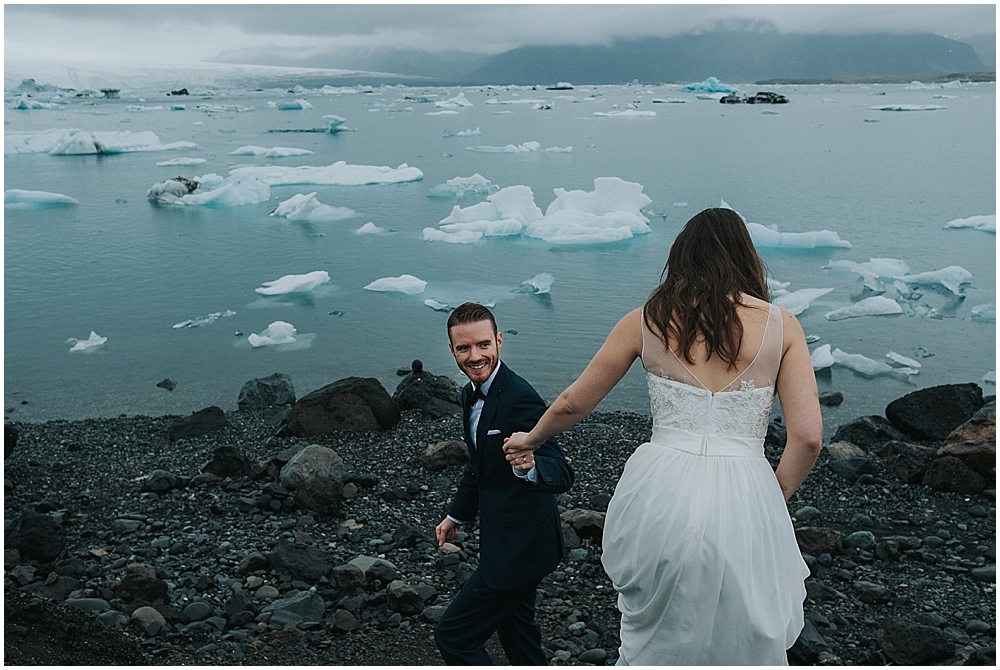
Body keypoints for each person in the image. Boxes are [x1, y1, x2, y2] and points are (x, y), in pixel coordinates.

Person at [503, 207, 823, 665]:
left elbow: (576, 402)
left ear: (681, 257)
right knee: (743, 627)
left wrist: (530, 440)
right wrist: (773, 495)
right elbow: (808, 437)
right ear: (745, 257)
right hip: (747, 489)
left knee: (657, 629)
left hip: (660, 488)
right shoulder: (782, 325)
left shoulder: (645, 320)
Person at [434, 302, 575, 665]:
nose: (475, 355)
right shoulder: (469, 394)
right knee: (519, 636)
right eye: (464, 348)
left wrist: (530, 466)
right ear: (451, 350)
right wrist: (456, 516)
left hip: (521, 550)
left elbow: (560, 469)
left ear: (498, 341)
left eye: (483, 345)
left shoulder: (519, 397)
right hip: (503, 542)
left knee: (454, 636)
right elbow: (479, 467)